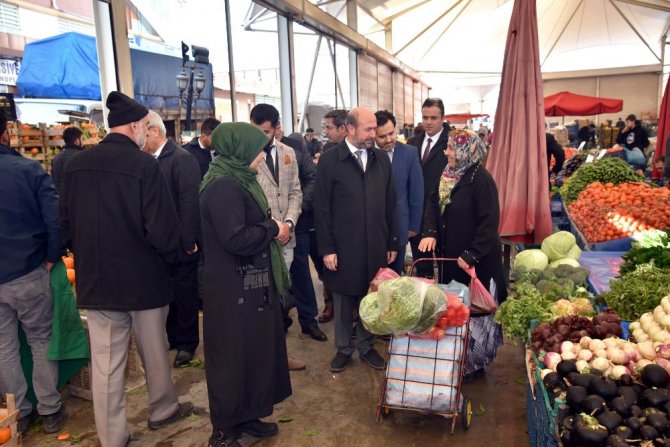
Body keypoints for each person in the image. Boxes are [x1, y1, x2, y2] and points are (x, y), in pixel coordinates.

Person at [60, 92, 193, 447]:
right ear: (136, 126)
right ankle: (163, 409)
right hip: (144, 280)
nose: (146, 133)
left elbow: (65, 223)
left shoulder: (75, 166)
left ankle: (113, 438)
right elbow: (162, 229)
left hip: (97, 281)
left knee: (105, 365)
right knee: (154, 348)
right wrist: (175, 259)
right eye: (146, 127)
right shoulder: (145, 166)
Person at [200, 122, 292, 447]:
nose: (260, 158)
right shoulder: (223, 186)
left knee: (252, 354)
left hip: (248, 284)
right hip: (230, 289)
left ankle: (248, 416)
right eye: (257, 151)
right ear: (240, 150)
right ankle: (224, 430)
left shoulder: (240, 179)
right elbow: (235, 237)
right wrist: (273, 228)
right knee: (231, 360)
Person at [314, 107, 399, 373]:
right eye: (368, 129)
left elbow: (390, 204)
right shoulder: (331, 161)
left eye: (375, 129)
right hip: (343, 246)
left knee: (370, 297)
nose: (374, 134)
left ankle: (366, 345)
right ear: (350, 129)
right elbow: (322, 207)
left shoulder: (380, 159)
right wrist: (327, 248)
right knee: (342, 300)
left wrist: (392, 242)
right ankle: (343, 349)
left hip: (375, 243)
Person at [0, 111, 68, 436]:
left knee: (4, 346)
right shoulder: (28, 170)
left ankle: (20, 414)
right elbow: (54, 218)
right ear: (6, 134)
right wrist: (53, 256)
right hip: (29, 269)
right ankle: (50, 410)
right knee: (41, 338)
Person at [418, 128, 506, 380]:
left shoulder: (482, 181)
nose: (447, 153)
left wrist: (471, 254)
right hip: (451, 258)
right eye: (447, 147)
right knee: (456, 309)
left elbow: (489, 226)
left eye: (452, 148)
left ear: (468, 151)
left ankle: (474, 366)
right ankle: (455, 358)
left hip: (477, 263)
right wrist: (430, 232)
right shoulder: (446, 175)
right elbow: (431, 205)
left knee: (476, 314)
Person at [250, 104, 319, 367]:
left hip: (287, 236)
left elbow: (295, 192)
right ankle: (263, 354)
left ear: (276, 128)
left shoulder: (289, 153)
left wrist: (288, 222)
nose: (261, 136)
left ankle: (279, 353)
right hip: (259, 236)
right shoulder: (245, 154)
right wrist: (271, 226)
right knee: (261, 297)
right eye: (256, 130)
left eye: (265, 131)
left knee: (281, 292)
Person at [143, 111, 201, 368]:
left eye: (143, 133)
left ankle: (187, 344)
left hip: (180, 244)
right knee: (166, 295)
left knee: (185, 295)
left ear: (155, 132)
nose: (140, 139)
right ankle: (173, 337)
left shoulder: (181, 159)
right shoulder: (145, 160)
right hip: (156, 245)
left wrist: (188, 242)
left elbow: (190, 204)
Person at [375, 110, 423, 274]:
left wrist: (413, 225)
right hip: (373, 228)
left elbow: (416, 192)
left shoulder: (409, 153)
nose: (389, 139)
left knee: (394, 275)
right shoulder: (368, 154)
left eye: (391, 133)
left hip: (400, 227)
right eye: (382, 136)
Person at [406, 98, 449, 278]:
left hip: (443, 213)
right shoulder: (412, 143)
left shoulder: (452, 143)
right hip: (417, 214)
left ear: (442, 118)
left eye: (433, 117)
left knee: (446, 264)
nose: (429, 122)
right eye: (425, 117)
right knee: (422, 267)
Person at [316, 108, 348, 323]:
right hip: (332, 227)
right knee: (331, 272)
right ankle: (331, 305)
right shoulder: (327, 153)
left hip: (353, 227)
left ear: (343, 128)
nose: (326, 132)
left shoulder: (368, 154)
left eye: (328, 127)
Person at [51, 126, 83, 195]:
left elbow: (53, 181)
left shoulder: (56, 158)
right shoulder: (82, 157)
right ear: (77, 141)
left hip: (60, 199)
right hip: (76, 199)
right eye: (81, 139)